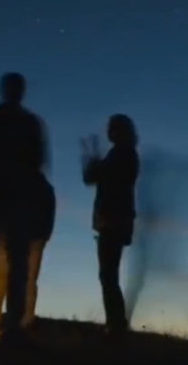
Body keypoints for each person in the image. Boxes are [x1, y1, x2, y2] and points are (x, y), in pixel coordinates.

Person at [0, 72, 50, 339]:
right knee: (5, 264)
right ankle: (2, 324)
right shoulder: (26, 123)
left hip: (1, 200)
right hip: (10, 202)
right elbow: (37, 165)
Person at [81, 113, 140, 336]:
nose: (109, 132)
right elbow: (95, 177)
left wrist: (93, 163)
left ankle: (115, 326)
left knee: (108, 275)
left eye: (112, 128)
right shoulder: (124, 154)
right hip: (117, 221)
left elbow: (95, 178)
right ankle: (116, 324)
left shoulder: (122, 155)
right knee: (109, 275)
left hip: (113, 221)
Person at [0, 170, 56, 331]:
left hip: (26, 239)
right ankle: (7, 322)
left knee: (18, 280)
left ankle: (9, 322)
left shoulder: (33, 186)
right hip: (17, 237)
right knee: (16, 280)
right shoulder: (43, 187)